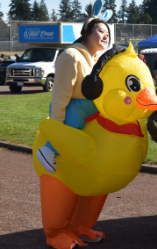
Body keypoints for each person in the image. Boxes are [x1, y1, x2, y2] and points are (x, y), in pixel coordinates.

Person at [34, 17, 110, 177]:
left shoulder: (95, 60)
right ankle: (49, 149)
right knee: (75, 114)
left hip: (89, 115)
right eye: (101, 31)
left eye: (107, 34)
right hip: (74, 112)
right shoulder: (71, 56)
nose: (105, 36)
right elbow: (60, 93)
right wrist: (56, 128)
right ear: (88, 34)